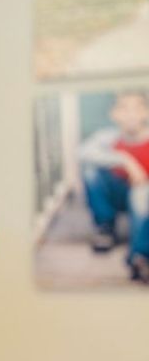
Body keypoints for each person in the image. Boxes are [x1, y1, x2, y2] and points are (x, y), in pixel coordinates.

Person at [77, 90, 149, 283]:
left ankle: (140, 256)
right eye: (124, 108)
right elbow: (83, 152)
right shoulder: (107, 137)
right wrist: (125, 160)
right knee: (90, 169)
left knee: (143, 193)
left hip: (144, 199)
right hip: (116, 194)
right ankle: (105, 228)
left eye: (137, 108)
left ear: (146, 113)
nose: (131, 114)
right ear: (114, 114)